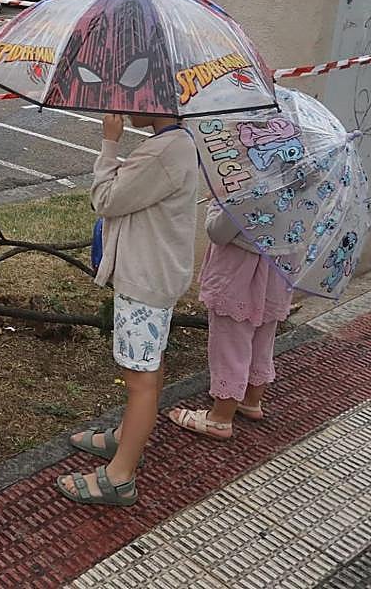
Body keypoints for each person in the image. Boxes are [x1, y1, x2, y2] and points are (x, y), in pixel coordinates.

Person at [56, 113, 198, 506]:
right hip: (154, 279)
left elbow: (105, 200)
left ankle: (119, 477)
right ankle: (125, 437)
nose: (124, 105)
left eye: (133, 95)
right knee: (148, 368)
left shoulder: (164, 151)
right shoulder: (174, 143)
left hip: (145, 283)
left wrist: (110, 143)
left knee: (140, 380)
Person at [165, 202, 293, 438]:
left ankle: (221, 418)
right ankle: (251, 399)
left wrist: (217, 203)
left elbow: (219, 232)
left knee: (230, 344)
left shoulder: (252, 184)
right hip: (280, 271)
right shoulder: (309, 176)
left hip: (238, 275)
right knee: (263, 338)